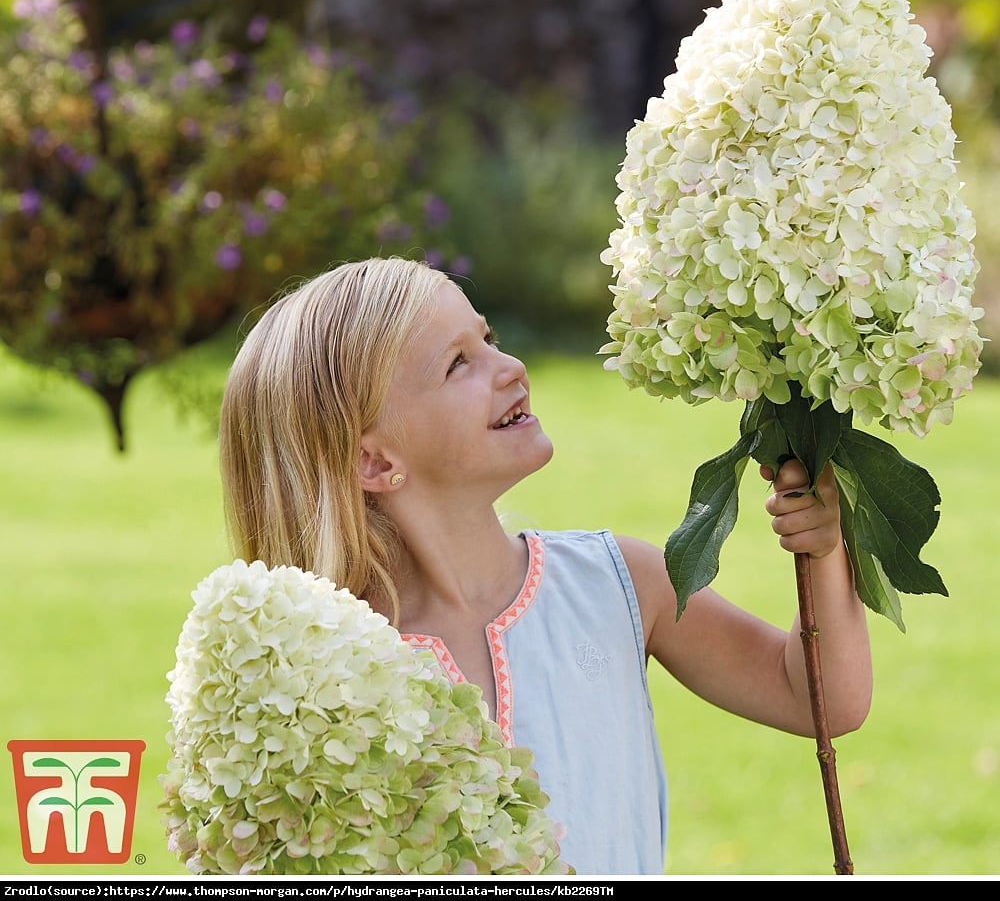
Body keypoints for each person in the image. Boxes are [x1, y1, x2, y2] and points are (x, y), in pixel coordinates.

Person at [219, 256, 873, 876]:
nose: (509, 366)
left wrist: (822, 553)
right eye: (457, 365)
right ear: (373, 461)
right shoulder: (333, 682)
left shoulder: (619, 585)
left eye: (489, 338)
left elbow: (821, 700)